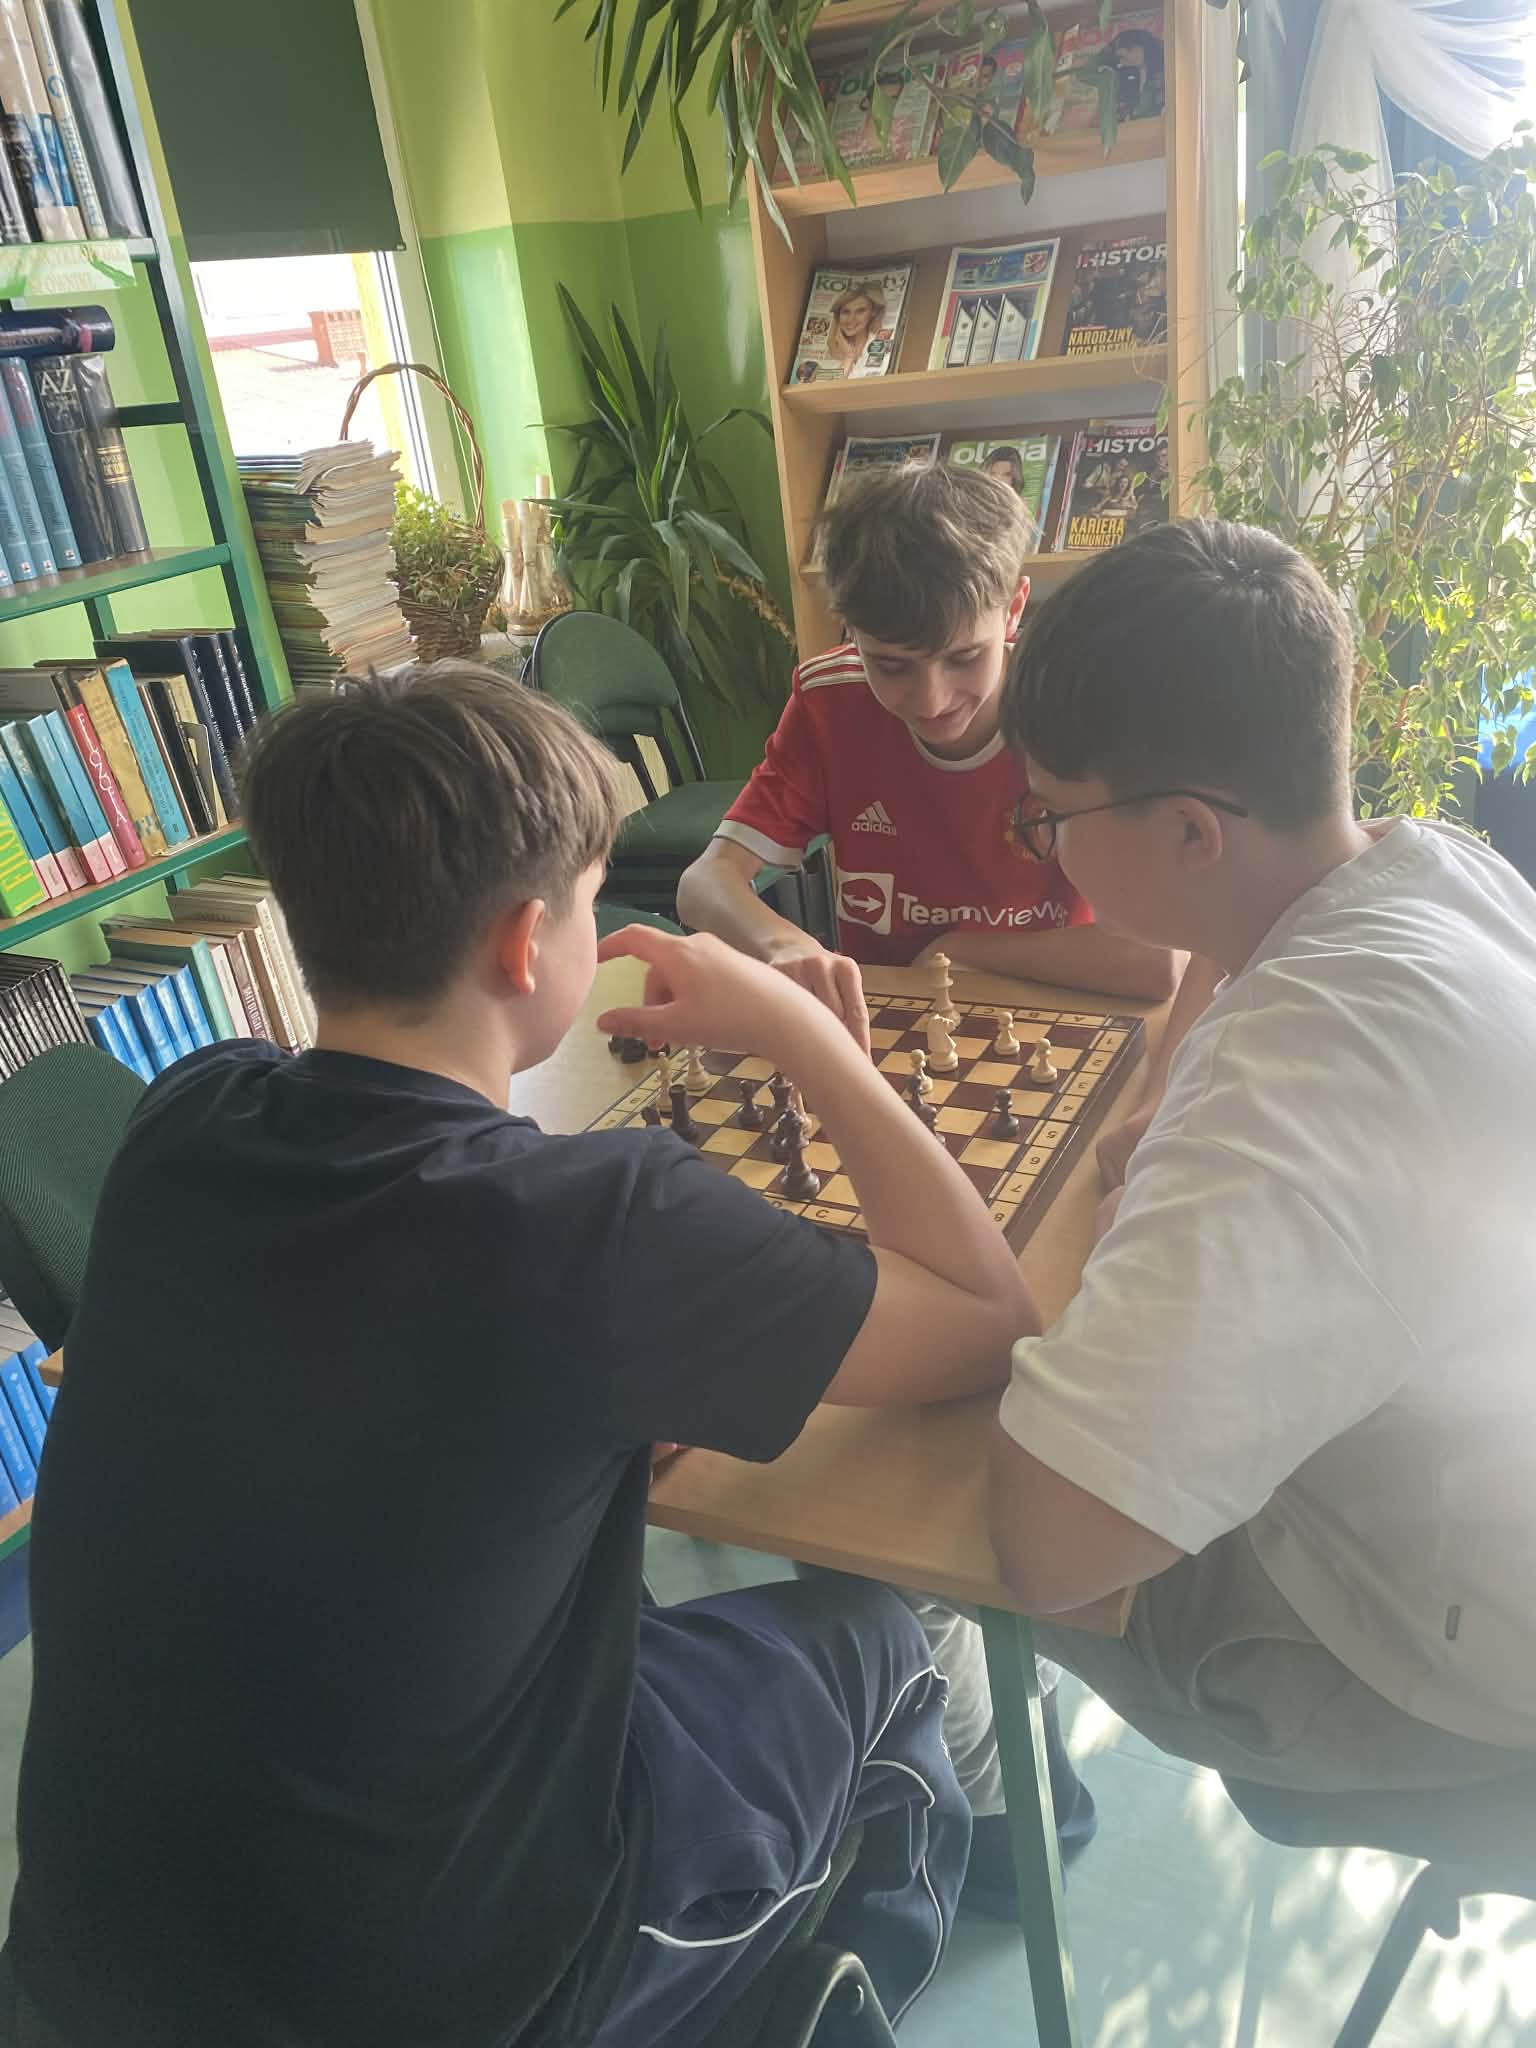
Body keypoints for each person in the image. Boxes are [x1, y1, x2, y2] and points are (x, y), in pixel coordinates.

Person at [3, 667, 1044, 2048]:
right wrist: (798, 1029)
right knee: (885, 1637)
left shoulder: (186, 1116)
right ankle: (803, 2000)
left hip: (85, 1965)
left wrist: (583, 1412)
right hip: (460, 1997)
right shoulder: (600, 1221)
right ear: (524, 943)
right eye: (593, 898)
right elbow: (989, 1318)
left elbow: (375, 1360)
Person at [986, 519, 1536, 1794]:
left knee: (888, 1515)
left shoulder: (1300, 1076)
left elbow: (1048, 1544)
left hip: (1447, 1649)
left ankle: (953, 1798)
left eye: (1048, 813)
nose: (1044, 843)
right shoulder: (1436, 865)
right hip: (1485, 1473)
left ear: (1191, 833)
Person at [677, 465, 1180, 1053]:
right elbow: (703, 882)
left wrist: (959, 949)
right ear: (851, 631)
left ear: (1014, 609)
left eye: (964, 657)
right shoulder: (829, 701)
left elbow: (1159, 959)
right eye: (890, 666)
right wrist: (783, 943)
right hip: (892, 1031)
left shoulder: (1081, 705)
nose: (931, 700)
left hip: (1054, 1022)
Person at [826, 285, 885, 375]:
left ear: (873, 312)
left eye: (860, 311)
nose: (851, 319)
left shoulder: (882, 345)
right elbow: (829, 384)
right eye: (846, 312)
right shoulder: (828, 349)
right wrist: (849, 356)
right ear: (838, 316)